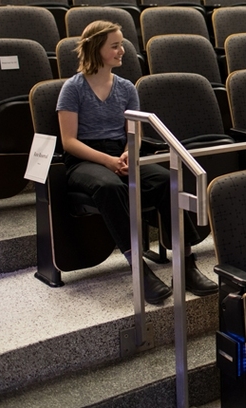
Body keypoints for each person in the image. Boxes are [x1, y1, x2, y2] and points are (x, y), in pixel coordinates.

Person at [56, 20, 217, 304]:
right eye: (115, 46)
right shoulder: (73, 88)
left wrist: (131, 152)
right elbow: (69, 142)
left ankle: (187, 263)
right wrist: (107, 161)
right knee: (110, 188)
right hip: (86, 159)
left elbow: (136, 133)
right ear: (97, 49)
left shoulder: (126, 87)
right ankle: (139, 268)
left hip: (123, 153)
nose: (122, 51)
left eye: (122, 45)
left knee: (168, 179)